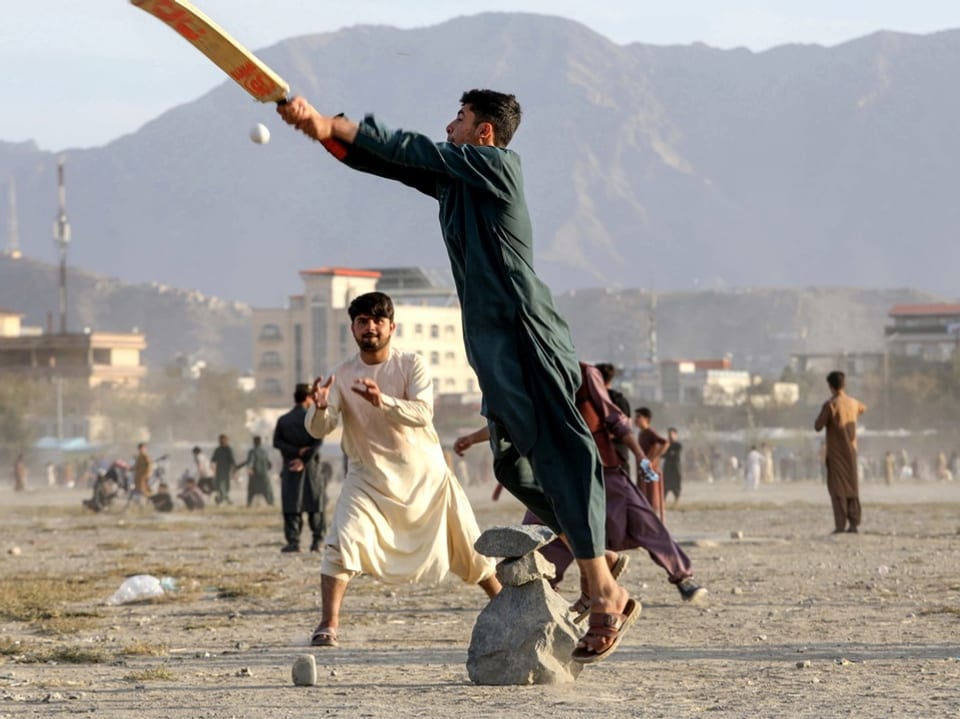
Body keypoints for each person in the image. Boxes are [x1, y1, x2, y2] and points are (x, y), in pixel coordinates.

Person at [279, 89, 637, 663]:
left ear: (485, 133)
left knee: (561, 453)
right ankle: (590, 547)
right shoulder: (455, 185)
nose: (449, 126)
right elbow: (397, 162)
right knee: (512, 464)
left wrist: (331, 123)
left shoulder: (497, 168)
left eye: (460, 119)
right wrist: (329, 133)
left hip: (527, 333)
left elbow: (416, 148)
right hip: (491, 346)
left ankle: (603, 592)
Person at [304, 292, 500, 648]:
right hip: (368, 479)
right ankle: (328, 624)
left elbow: (424, 413)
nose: (371, 328)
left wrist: (384, 401)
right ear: (353, 329)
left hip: (426, 478)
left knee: (471, 550)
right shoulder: (342, 374)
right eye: (363, 321)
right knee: (341, 541)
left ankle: (506, 607)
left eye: (378, 321)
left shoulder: (412, 364)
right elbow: (320, 428)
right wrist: (319, 408)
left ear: (392, 326)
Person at [456, 362, 706, 608]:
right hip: (556, 474)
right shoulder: (529, 379)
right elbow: (509, 422)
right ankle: (543, 590)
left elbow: (616, 420)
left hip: (602, 470)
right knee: (540, 530)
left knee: (645, 524)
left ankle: (683, 578)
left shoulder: (586, 375)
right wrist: (471, 438)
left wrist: (640, 456)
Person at [273, 383, 325, 553]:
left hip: (290, 467)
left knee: (291, 506)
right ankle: (317, 542)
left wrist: (294, 453)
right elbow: (318, 442)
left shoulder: (283, 420)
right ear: (308, 398)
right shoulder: (312, 419)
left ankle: (293, 542)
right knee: (315, 505)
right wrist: (304, 458)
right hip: (310, 469)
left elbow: (276, 442)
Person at [815, 370, 867, 533]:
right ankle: (854, 523)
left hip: (836, 454)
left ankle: (840, 525)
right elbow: (862, 408)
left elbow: (818, 426)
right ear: (844, 385)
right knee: (852, 487)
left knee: (837, 489)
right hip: (851, 453)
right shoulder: (853, 402)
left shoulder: (831, 404)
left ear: (830, 386)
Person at [594, 363, 631, 474]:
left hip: (601, 456)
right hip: (621, 455)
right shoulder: (621, 400)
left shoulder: (594, 400)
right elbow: (628, 427)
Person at [635, 408, 668, 522]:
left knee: (651, 498)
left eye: (639, 417)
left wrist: (654, 458)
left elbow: (665, 442)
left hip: (650, 470)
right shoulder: (641, 433)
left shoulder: (650, 432)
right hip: (642, 470)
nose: (636, 419)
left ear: (646, 419)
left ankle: (655, 523)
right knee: (642, 497)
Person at [238, 435, 274, 506]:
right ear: (260, 442)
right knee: (267, 490)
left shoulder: (252, 451)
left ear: (254, 442)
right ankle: (271, 503)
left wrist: (249, 468)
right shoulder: (264, 452)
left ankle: (249, 504)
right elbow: (269, 464)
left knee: (252, 490)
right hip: (264, 475)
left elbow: (250, 461)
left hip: (255, 475)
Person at [210, 434, 238, 505]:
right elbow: (213, 460)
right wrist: (212, 467)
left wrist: (234, 471)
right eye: (220, 440)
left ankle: (221, 500)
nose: (221, 441)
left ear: (226, 440)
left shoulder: (228, 449)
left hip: (226, 472)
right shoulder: (218, 450)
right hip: (219, 472)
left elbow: (232, 461)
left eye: (223, 440)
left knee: (225, 488)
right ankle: (224, 500)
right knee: (220, 487)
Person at [662, 427, 683, 503]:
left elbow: (674, 454)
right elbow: (662, 455)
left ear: (676, 435)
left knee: (676, 485)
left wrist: (669, 453)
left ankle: (676, 500)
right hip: (667, 468)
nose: (670, 436)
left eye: (672, 434)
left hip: (675, 468)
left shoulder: (678, 445)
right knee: (665, 485)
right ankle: (663, 501)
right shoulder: (666, 444)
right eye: (669, 434)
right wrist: (666, 446)